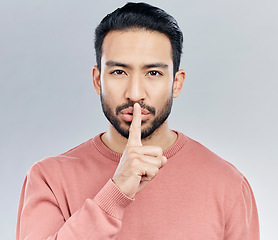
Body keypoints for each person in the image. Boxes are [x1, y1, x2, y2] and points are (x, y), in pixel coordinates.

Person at [16, 2, 260, 239]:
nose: (134, 93)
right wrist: (117, 191)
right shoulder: (48, 179)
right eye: (118, 72)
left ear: (176, 83)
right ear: (98, 80)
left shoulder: (228, 185)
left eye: (153, 73)